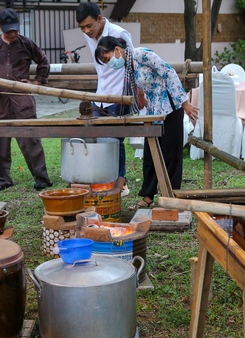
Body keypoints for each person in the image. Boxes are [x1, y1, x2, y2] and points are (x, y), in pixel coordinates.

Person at [94, 36, 199, 210]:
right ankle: (148, 195)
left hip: (171, 108)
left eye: (107, 58)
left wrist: (184, 103)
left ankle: (172, 197)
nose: (108, 63)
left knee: (171, 155)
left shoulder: (142, 54)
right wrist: (141, 98)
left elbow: (169, 73)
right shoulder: (128, 67)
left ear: (117, 50)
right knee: (150, 154)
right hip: (154, 111)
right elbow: (143, 84)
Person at [0, 8, 52, 191]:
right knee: (0, 143)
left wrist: (36, 81)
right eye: (9, 30)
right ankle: (3, 179)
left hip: (22, 101)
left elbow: (43, 62)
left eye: (16, 30)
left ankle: (41, 177)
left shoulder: (27, 44)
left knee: (30, 140)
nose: (13, 34)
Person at [76, 2, 133, 196]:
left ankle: (121, 182)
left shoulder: (119, 33)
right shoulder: (87, 35)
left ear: (99, 19)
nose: (86, 31)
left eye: (89, 26)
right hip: (100, 94)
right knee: (99, 138)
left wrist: (135, 94)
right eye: (82, 27)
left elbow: (132, 61)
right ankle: (104, 180)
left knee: (115, 139)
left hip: (119, 94)